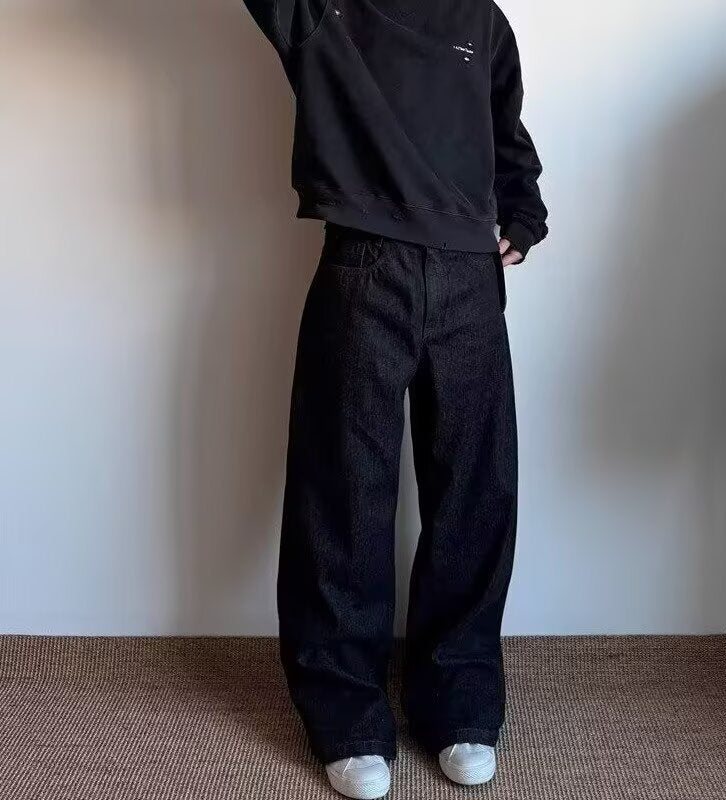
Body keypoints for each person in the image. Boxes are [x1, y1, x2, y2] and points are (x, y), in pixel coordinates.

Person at [242, 0, 548, 796]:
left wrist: (521, 211)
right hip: (362, 267)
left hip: (470, 275)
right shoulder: (319, 9)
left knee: (476, 492)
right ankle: (346, 717)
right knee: (342, 493)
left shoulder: (482, 18)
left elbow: (505, 132)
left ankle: (461, 704)